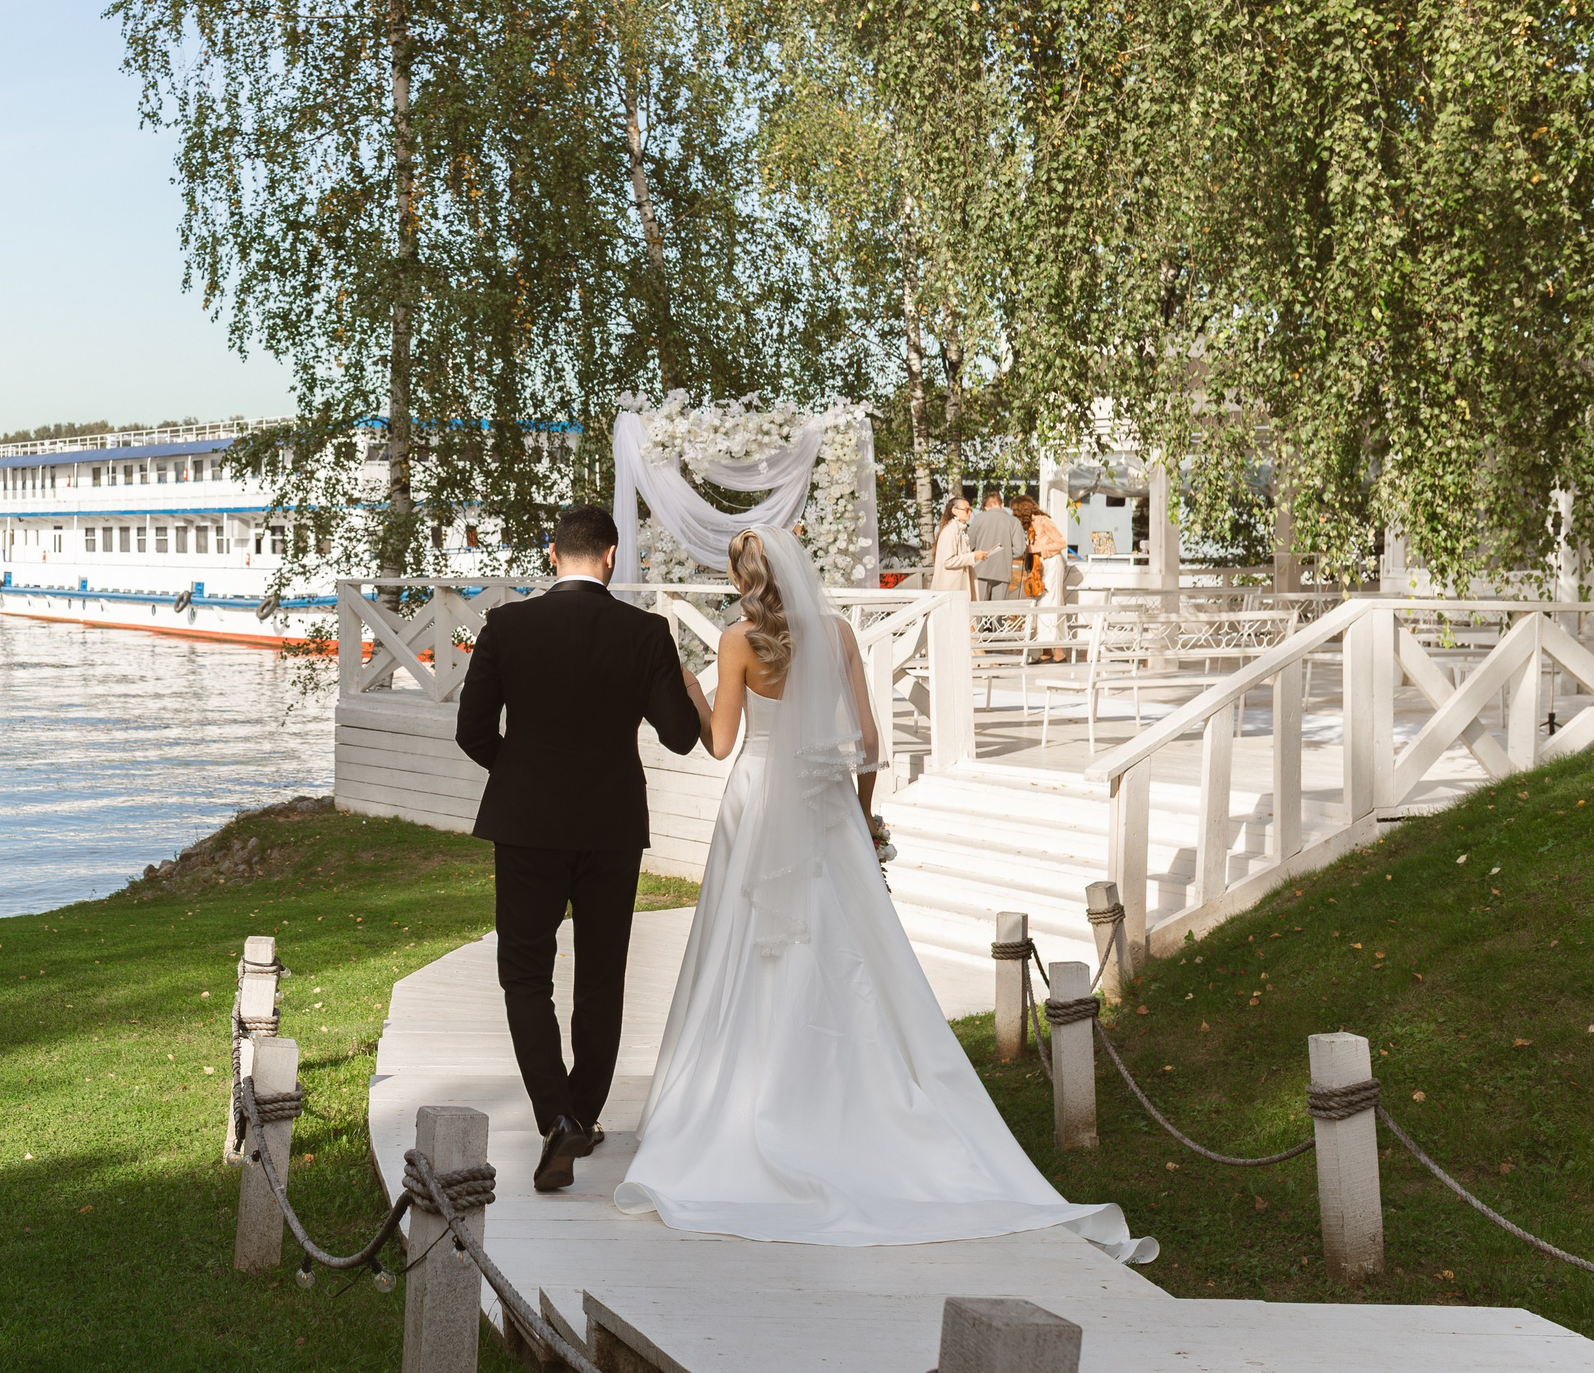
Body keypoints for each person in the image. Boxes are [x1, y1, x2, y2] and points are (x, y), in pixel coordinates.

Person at [615, 526, 1153, 1262]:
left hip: (758, 801)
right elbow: (868, 742)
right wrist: (861, 818)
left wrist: (684, 686)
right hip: (826, 805)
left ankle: (745, 1101)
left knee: (747, 955)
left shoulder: (737, 642)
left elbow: (718, 745)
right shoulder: (836, 632)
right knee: (845, 951)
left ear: (744, 580)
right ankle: (856, 1098)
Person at [454, 503, 703, 1193]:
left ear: (553, 555)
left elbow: (473, 730)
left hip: (527, 822)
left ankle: (556, 1116)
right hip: (612, 824)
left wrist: (522, 772)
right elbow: (681, 735)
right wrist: (682, 678)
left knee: (525, 974)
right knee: (601, 976)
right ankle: (582, 1114)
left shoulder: (507, 624)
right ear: (612, 556)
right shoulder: (644, 631)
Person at [1014, 495, 1069, 661]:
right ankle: (1048, 652)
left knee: (1050, 603)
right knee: (1042, 604)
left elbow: (1061, 542)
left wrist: (1037, 549)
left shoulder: (1043, 521)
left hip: (1051, 563)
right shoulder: (1031, 524)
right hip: (1041, 566)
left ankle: (1057, 653)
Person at [963, 491, 1026, 602]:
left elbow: (968, 545)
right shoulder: (1014, 522)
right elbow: (1019, 550)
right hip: (1003, 571)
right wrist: (1006, 555)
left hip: (980, 570)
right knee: (998, 612)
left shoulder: (978, 519)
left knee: (979, 610)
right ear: (1002, 505)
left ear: (985, 507)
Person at [926, 496, 975, 592]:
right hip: (951, 586)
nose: (969, 513)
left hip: (958, 585)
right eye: (966, 510)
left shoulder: (960, 529)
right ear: (954, 510)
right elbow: (948, 561)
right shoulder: (951, 530)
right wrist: (973, 556)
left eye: (970, 510)